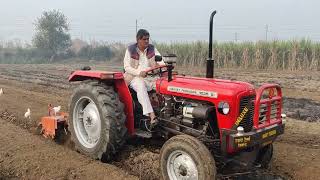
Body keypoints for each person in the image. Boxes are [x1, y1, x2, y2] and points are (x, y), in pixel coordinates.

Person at [123, 29, 164, 127]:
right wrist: (138, 72)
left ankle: (165, 112)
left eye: (148, 39)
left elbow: (162, 63)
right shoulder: (130, 50)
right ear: (138, 40)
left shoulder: (152, 49)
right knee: (141, 86)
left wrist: (157, 66)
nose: (147, 41)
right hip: (135, 77)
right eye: (144, 39)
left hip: (151, 77)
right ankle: (152, 115)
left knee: (164, 86)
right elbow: (127, 67)